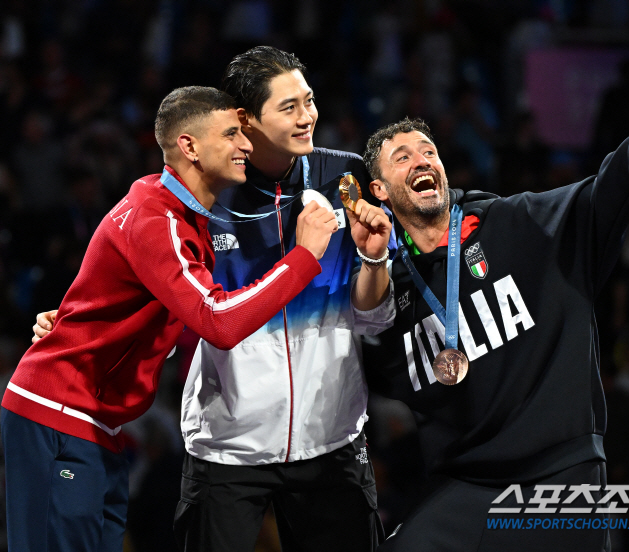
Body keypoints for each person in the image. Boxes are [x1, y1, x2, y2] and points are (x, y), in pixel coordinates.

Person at [33, 47, 395, 552]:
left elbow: (373, 319)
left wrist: (374, 261)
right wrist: (77, 320)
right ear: (245, 119)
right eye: (288, 107)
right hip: (226, 449)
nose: (308, 116)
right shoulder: (205, 189)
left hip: (331, 440)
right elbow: (148, 276)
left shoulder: (347, 177)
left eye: (309, 101)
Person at [360, 44, 629, 551]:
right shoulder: (385, 286)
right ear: (380, 190)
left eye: (429, 151)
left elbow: (606, 195)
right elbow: (362, 360)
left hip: (560, 474)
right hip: (465, 489)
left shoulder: (520, 223)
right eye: (402, 157)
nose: (422, 160)